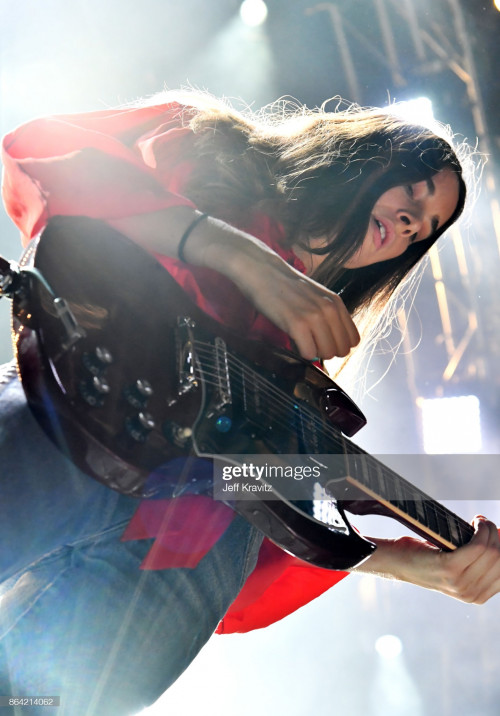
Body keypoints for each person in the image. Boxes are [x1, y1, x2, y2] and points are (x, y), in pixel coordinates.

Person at [1, 91, 499, 715]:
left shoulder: (296, 374)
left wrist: (402, 563)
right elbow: (49, 151)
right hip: (64, 419)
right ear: (364, 153)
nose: (409, 225)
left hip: (156, 548)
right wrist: (235, 253)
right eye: (416, 193)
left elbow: (245, 539)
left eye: (421, 232)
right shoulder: (214, 147)